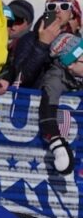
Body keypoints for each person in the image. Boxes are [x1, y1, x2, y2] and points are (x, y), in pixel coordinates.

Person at [3, 0, 78, 90]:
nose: (57, 10)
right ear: (46, 11)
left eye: (64, 6)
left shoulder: (77, 41)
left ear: (71, 14)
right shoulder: (29, 38)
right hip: (31, 99)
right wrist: (42, 45)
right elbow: (21, 78)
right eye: (52, 6)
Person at [37, 33, 83, 175]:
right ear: (70, 64)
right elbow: (47, 113)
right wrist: (58, 145)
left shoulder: (78, 75)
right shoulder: (54, 80)